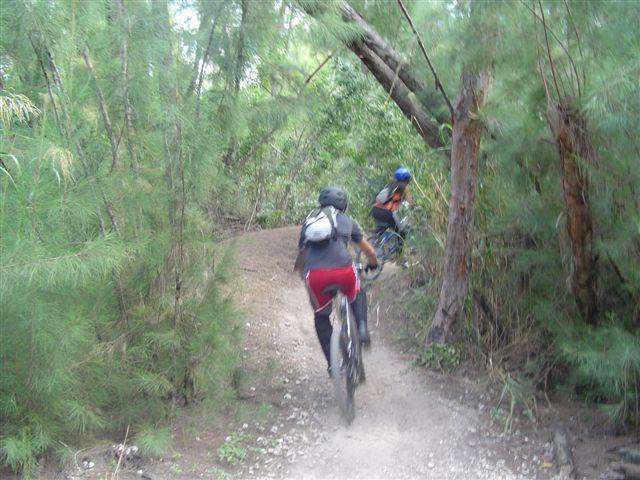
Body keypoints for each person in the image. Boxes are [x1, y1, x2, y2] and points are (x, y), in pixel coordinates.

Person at [294, 186, 379, 373]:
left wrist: (302, 273)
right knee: (356, 290)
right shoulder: (348, 221)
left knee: (321, 317)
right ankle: (362, 328)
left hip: (315, 276)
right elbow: (369, 251)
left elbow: (302, 254)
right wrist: (373, 263)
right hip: (344, 270)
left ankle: (333, 365)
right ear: (344, 204)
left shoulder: (310, 221)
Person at [371, 167, 413, 236]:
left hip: (375, 210)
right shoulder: (404, 189)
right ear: (407, 179)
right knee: (401, 233)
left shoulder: (389, 185)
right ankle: (399, 246)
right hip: (387, 214)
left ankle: (376, 241)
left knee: (383, 229)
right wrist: (413, 207)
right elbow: (410, 203)